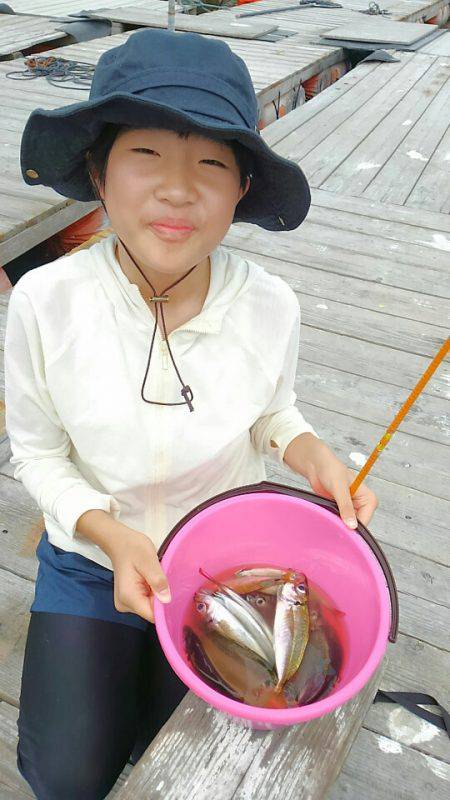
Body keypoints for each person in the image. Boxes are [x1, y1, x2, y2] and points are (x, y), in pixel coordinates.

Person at [5, 28, 378, 800]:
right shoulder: (45, 300)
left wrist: (315, 459)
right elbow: (37, 456)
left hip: (229, 567)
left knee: (212, 763)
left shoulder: (271, 304)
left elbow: (277, 415)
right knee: (66, 774)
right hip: (90, 559)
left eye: (211, 164)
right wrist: (108, 533)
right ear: (98, 175)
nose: (179, 190)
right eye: (145, 157)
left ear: (242, 189)